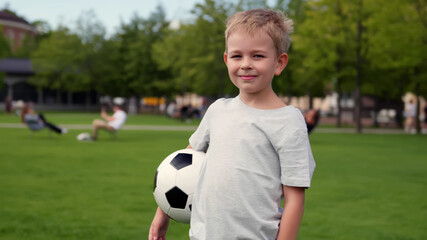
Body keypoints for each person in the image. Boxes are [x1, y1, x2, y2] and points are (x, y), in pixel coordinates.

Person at [149, 9, 315, 240]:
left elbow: (295, 198)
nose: (246, 64)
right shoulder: (218, 110)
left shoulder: (288, 121)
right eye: (237, 56)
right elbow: (186, 163)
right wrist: (162, 214)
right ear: (227, 60)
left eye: (258, 56)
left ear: (279, 63)